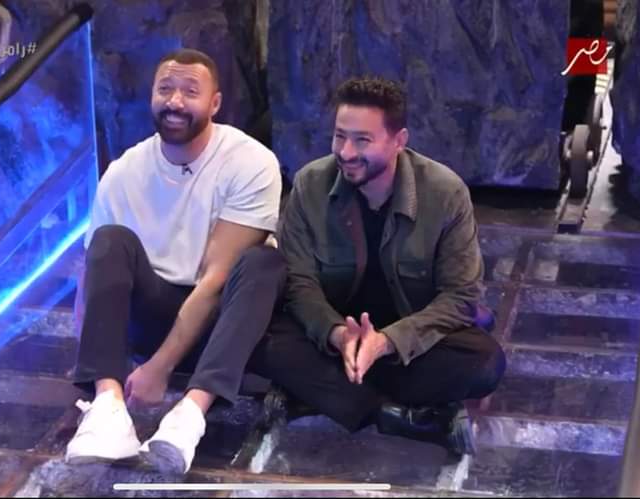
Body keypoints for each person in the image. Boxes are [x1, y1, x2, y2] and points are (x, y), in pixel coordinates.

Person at [249, 76, 506, 456]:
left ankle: (318, 395)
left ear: (399, 141)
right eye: (339, 136)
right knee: (256, 334)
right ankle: (391, 413)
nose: (346, 152)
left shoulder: (445, 192)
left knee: (483, 362)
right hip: (332, 335)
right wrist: (339, 335)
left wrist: (386, 343)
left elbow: (461, 296)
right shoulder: (310, 184)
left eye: (362, 140)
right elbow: (299, 283)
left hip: (409, 336)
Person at [64, 48, 285, 475]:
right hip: (153, 314)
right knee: (110, 240)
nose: (175, 102)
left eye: (190, 92)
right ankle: (108, 407)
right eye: (165, 89)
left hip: (222, 325)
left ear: (215, 103)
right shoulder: (125, 171)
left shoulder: (250, 162)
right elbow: (91, 274)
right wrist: (95, 357)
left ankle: (189, 417)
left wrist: (159, 369)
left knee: (264, 264)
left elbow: (216, 280)